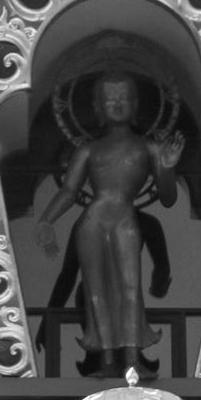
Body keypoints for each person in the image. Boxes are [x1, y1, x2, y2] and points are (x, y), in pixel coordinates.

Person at [35, 73, 182, 377]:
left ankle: (132, 359)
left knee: (130, 287)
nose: (116, 104)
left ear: (135, 104)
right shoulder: (89, 150)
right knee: (95, 290)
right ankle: (107, 361)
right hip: (93, 219)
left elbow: (168, 198)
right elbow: (69, 190)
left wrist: (167, 168)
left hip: (125, 218)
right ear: (97, 107)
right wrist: (47, 219)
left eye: (123, 97)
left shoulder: (149, 148)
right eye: (109, 99)